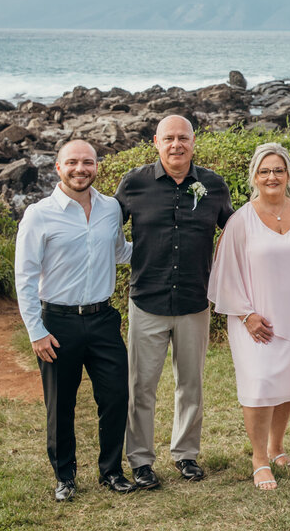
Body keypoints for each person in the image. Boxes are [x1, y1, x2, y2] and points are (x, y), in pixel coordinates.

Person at [115, 114, 233, 489]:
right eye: (169, 138)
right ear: (156, 142)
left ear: (194, 142)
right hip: (146, 300)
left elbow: (237, 234)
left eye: (183, 137)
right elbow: (100, 229)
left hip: (194, 302)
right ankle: (141, 460)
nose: (176, 145)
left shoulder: (213, 185)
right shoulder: (134, 184)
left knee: (191, 385)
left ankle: (185, 454)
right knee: (141, 386)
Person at [14, 139, 135, 501]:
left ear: (97, 166)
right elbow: (24, 276)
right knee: (61, 404)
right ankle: (64, 476)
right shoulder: (39, 214)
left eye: (88, 162)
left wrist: (169, 240)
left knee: (115, 397)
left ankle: (111, 472)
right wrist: (36, 331)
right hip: (57, 323)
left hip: (103, 319)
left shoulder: (111, 208)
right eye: (72, 163)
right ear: (58, 168)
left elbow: (121, 252)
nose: (80, 169)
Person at [207, 143, 290, 490]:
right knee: (259, 385)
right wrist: (246, 315)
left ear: (288, 175)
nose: (271, 177)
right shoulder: (240, 221)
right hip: (255, 320)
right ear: (254, 177)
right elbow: (225, 273)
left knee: (287, 386)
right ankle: (259, 458)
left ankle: (277, 446)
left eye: (278, 170)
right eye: (264, 171)